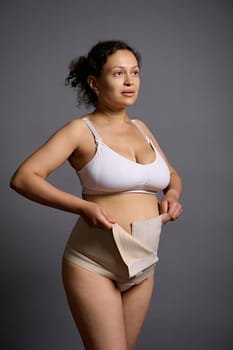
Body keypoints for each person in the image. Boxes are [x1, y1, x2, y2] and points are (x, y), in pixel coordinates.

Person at [10, 40, 182, 350]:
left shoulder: (142, 128)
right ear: (94, 83)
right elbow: (24, 178)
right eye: (118, 73)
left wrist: (173, 194)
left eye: (135, 72)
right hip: (93, 264)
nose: (130, 81)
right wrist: (82, 208)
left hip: (142, 263)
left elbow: (172, 176)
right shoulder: (81, 130)